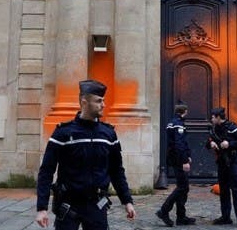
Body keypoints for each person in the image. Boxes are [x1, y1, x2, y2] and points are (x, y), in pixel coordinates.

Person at [35, 80, 136, 230]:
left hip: (97, 205)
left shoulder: (108, 134)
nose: (103, 105)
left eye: (103, 101)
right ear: (84, 102)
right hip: (68, 205)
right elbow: (46, 171)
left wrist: (127, 201)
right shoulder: (63, 133)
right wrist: (41, 208)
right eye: (99, 101)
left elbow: (116, 171)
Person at [155, 101, 196, 227]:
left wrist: (187, 155)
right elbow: (179, 144)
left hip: (175, 158)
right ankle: (164, 210)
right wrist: (184, 160)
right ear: (184, 112)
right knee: (182, 187)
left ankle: (181, 217)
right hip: (178, 159)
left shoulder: (171, 123)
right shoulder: (178, 124)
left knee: (183, 187)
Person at [206, 107, 237, 229]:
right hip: (222, 163)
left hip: (233, 163)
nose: (211, 119)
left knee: (236, 191)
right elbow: (207, 143)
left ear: (219, 117)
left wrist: (230, 144)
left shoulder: (232, 127)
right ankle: (225, 217)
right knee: (224, 191)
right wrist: (211, 144)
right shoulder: (214, 129)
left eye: (213, 117)